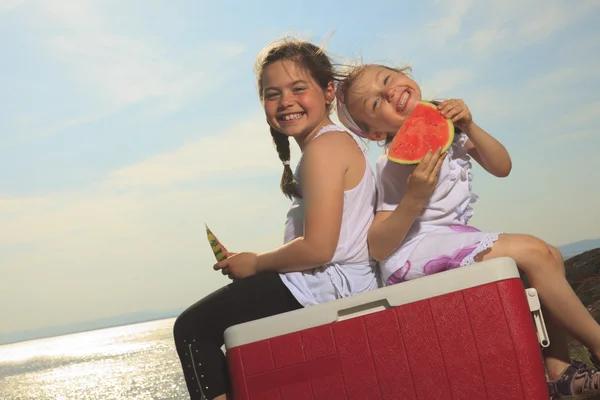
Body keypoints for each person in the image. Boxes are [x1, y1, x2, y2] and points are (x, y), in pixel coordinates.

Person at [334, 62, 600, 398]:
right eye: (375, 104)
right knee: (535, 251)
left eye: (387, 79)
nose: (388, 93)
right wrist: (414, 196)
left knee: (551, 255)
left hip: (453, 237)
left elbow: (502, 167)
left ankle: (561, 373)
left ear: (404, 74)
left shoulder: (452, 130)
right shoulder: (391, 165)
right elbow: (379, 246)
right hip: (414, 253)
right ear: (375, 133)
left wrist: (470, 126)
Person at [172, 39, 378, 400]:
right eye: (273, 94)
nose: (285, 102)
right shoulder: (333, 144)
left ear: (329, 91)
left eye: (299, 88)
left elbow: (318, 248)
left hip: (328, 286)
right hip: (339, 282)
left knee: (192, 329)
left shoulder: (323, 149)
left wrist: (256, 263)